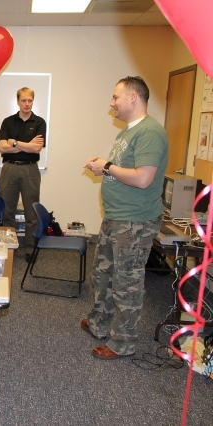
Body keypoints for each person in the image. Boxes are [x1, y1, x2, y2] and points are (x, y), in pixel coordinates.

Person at [83, 76, 168, 360]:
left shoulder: (150, 132)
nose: (112, 103)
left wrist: (107, 166)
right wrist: (104, 167)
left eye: (116, 97)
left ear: (133, 97)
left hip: (135, 221)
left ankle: (123, 342)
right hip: (116, 217)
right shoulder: (127, 132)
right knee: (103, 274)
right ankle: (99, 323)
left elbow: (143, 179)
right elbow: (124, 170)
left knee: (126, 283)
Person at [0, 87, 46, 256]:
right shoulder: (8, 122)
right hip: (9, 168)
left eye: (30, 100)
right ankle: (8, 247)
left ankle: (30, 248)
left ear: (33, 101)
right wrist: (27, 145)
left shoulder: (39, 123)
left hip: (30, 169)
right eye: (23, 100)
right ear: (18, 101)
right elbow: (2, 148)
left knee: (31, 212)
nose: (27, 104)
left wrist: (15, 143)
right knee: (7, 210)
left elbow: (36, 149)